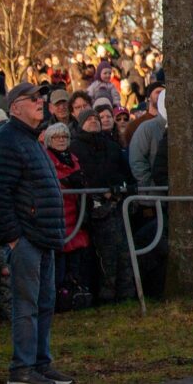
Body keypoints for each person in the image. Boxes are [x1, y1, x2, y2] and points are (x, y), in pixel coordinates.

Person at [0, 82, 74, 384]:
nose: (40, 102)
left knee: (45, 303)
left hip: (43, 236)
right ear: (15, 107)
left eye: (41, 97)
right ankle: (21, 370)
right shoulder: (7, 139)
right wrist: (13, 238)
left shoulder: (31, 140)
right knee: (26, 306)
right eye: (32, 98)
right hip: (26, 239)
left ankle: (40, 363)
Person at [69, 108, 135, 302]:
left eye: (96, 119)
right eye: (89, 119)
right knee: (104, 256)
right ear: (81, 123)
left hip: (118, 206)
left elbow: (126, 173)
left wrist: (124, 187)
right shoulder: (75, 148)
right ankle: (105, 296)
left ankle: (126, 295)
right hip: (94, 210)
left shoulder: (112, 146)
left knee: (124, 253)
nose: (94, 121)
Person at [42, 124, 91, 306]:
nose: (61, 139)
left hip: (76, 216)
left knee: (76, 263)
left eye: (64, 136)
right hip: (58, 216)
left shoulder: (74, 159)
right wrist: (66, 182)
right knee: (58, 266)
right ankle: (56, 300)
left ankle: (74, 295)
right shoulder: (46, 159)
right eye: (56, 137)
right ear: (49, 140)